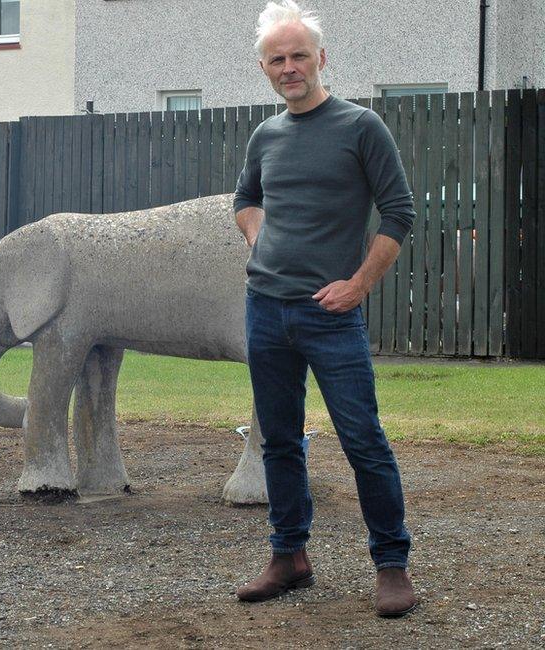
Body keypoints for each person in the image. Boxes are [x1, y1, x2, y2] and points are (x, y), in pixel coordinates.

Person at [232, 0, 418, 617]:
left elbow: (399, 213)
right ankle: (289, 557)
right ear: (264, 68)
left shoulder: (361, 127)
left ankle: (392, 564)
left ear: (321, 59)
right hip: (266, 309)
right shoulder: (266, 134)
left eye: (299, 56)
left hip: (331, 315)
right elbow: (247, 200)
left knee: (363, 439)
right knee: (280, 441)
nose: (290, 67)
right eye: (277, 59)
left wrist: (360, 284)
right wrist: (264, 243)